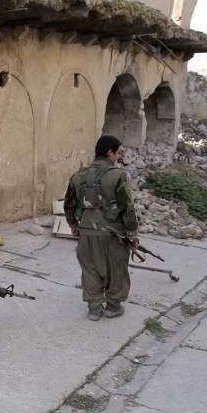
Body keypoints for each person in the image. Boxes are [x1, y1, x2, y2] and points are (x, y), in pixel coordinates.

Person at [63, 135, 139, 321]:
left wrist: (74, 225)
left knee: (90, 269)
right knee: (116, 269)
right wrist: (132, 234)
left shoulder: (78, 176)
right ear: (109, 152)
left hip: (86, 232)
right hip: (113, 234)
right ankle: (113, 307)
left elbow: (69, 205)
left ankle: (94, 309)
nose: (119, 157)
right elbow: (127, 208)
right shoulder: (119, 175)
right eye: (118, 152)